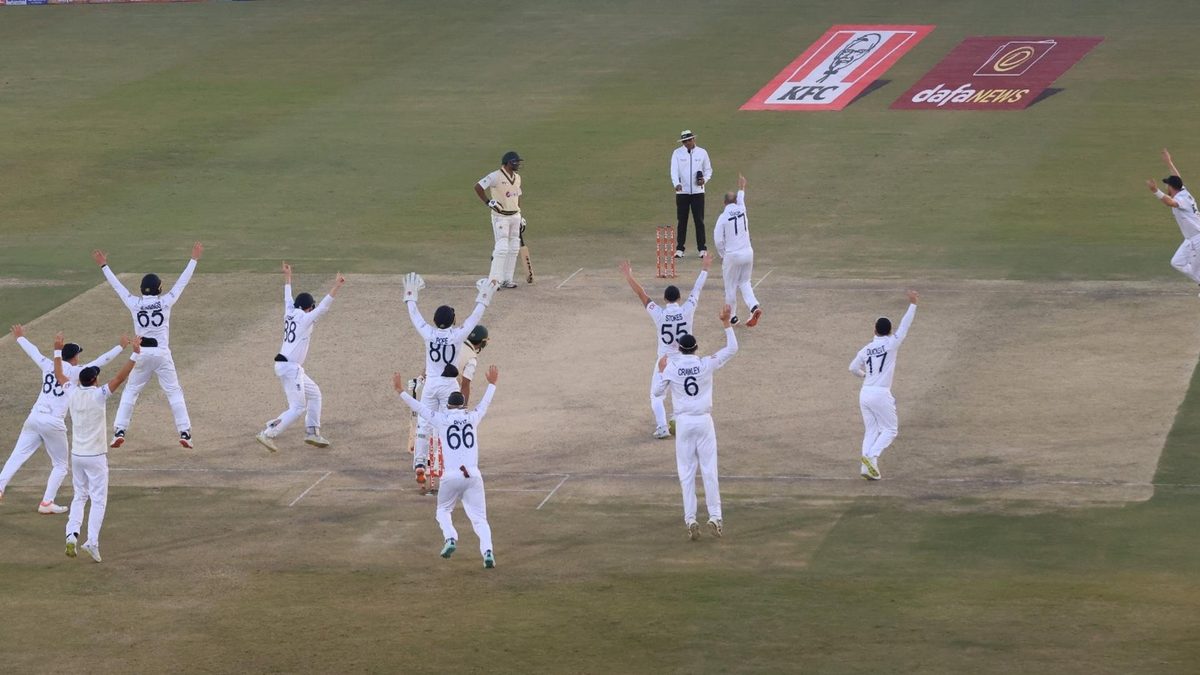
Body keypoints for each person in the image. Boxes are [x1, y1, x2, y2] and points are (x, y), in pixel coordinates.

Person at [0, 326, 125, 513]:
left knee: (17, 455)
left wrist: (20, 338)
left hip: (34, 417)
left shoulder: (48, 364)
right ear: (75, 357)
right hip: (53, 422)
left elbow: (33, 352)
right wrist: (121, 347)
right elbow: (102, 361)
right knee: (60, 465)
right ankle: (46, 503)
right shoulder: (76, 372)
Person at [92, 242, 202, 449]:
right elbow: (182, 282)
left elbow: (117, 287)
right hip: (162, 354)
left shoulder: (134, 303)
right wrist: (193, 259)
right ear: (159, 288)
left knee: (130, 392)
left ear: (142, 289)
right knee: (174, 392)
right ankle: (185, 433)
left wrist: (104, 266)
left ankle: (119, 431)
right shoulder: (165, 301)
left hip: (140, 354)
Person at [394, 366, 500, 569]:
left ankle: (450, 538)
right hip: (473, 476)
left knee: (443, 511)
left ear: (448, 406)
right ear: (463, 406)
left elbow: (420, 408)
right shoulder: (472, 418)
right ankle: (488, 552)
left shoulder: (441, 419)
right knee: (480, 520)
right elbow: (484, 404)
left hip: (451, 476)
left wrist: (400, 391)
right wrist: (492, 384)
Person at [653, 304, 738, 541]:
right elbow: (733, 348)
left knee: (686, 473)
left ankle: (690, 519)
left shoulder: (672, 367)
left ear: (679, 349)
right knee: (709, 470)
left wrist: (661, 370)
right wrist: (726, 323)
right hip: (704, 422)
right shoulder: (705, 363)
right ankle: (716, 517)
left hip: (683, 423)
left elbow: (658, 392)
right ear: (696, 348)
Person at [54, 332, 141, 563]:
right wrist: (135, 354)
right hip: (96, 457)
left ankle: (71, 535)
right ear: (94, 380)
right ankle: (91, 541)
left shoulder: (72, 392)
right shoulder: (99, 395)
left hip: (77, 455)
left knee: (79, 496)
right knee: (98, 500)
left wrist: (57, 350)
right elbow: (119, 378)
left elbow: (59, 374)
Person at [403, 272, 495, 487]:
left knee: (424, 424)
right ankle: (452, 463)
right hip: (449, 385)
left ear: (435, 321)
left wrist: (410, 296)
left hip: (431, 384)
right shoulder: (457, 335)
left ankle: (420, 463)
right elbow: (474, 318)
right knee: (451, 423)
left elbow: (415, 316)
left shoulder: (428, 333)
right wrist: (483, 297)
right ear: (453, 321)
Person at [255, 264, 346, 453]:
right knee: (297, 407)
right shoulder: (305, 318)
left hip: (289, 365)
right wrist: (336, 286)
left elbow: (287, 296)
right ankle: (268, 433)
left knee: (315, 394)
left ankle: (312, 432)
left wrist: (288, 276)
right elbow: (324, 307)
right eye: (311, 308)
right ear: (308, 308)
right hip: (290, 367)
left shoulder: (289, 311)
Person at [619, 255, 711, 439]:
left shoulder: (659, 314)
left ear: (665, 299)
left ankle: (662, 427)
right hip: (684, 359)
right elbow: (697, 289)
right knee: (681, 392)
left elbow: (642, 294)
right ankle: (679, 421)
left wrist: (629, 277)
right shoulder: (687, 309)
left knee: (656, 396)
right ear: (679, 298)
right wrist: (705, 268)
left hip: (664, 362)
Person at [849, 291, 920, 480]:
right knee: (890, 429)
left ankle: (867, 467)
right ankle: (872, 456)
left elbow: (852, 368)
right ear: (889, 331)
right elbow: (904, 326)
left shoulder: (866, 349)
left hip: (865, 393)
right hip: (881, 394)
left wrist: (864, 375)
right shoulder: (891, 344)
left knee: (871, 430)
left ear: (874, 331)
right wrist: (913, 304)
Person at [1147, 149, 1200, 295]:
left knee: (1194, 270)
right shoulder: (1183, 191)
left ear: (1171, 187)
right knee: (1177, 262)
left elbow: (1169, 202)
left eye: (1167, 185)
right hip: (1190, 239)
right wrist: (1169, 162)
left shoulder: (1181, 199)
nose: (1166, 187)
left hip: (1197, 239)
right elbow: (1178, 177)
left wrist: (1155, 191)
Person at [714, 173, 763, 327]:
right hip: (748, 253)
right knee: (745, 282)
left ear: (724, 203)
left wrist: (722, 254)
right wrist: (742, 187)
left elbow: (718, 240)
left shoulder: (722, 217)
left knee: (730, 286)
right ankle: (754, 307)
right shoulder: (742, 209)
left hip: (732, 255)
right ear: (735, 201)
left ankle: (732, 317)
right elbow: (741, 198)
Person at [475, 151, 525, 289]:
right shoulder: (495, 176)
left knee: (514, 248)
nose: (518, 164)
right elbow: (478, 187)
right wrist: (488, 202)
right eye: (516, 162)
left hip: (515, 216)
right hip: (501, 217)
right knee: (502, 248)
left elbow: (517, 196)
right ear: (509, 163)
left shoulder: (517, 177)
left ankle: (507, 279)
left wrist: (520, 215)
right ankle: (494, 281)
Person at [670, 130, 713, 259]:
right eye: (684, 141)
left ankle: (702, 248)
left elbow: (708, 170)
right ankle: (680, 249)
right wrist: (676, 184)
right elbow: (673, 170)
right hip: (682, 192)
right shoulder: (677, 153)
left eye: (689, 140)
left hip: (698, 192)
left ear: (693, 139)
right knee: (682, 220)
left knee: (699, 220)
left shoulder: (702, 152)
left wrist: (704, 180)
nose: (687, 143)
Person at [456, 325, 489, 405]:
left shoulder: (456, 344)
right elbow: (465, 385)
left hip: (431, 385)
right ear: (482, 342)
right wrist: (464, 407)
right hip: (447, 391)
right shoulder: (471, 358)